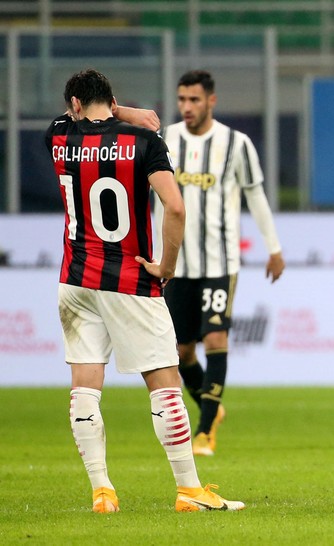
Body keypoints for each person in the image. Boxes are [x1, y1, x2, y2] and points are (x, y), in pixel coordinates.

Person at [48, 68, 244, 512]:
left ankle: (102, 491)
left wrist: (120, 111)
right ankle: (190, 491)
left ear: (74, 105)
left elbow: (78, 118)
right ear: (110, 98)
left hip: (75, 280)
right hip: (131, 279)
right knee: (164, 383)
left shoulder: (58, 136)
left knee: (84, 386)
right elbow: (175, 206)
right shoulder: (145, 144)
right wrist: (167, 265)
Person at [154, 69, 285, 456]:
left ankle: (205, 430)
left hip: (220, 262)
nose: (187, 107)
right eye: (181, 99)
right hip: (177, 263)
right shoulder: (165, 141)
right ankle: (213, 406)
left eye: (194, 99)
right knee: (180, 352)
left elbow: (255, 196)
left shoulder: (235, 143)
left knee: (215, 337)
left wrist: (273, 248)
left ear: (211, 100)